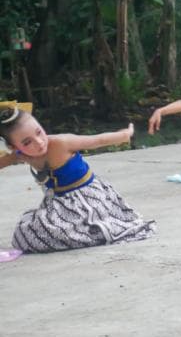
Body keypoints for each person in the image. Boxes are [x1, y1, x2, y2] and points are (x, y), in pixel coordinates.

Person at [0, 106, 155, 253]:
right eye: (27, 142)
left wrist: (124, 135)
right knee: (24, 233)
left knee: (62, 230)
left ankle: (95, 230)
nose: (39, 142)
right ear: (14, 147)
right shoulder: (20, 155)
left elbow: (97, 140)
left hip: (89, 198)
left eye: (39, 132)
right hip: (60, 203)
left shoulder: (61, 142)